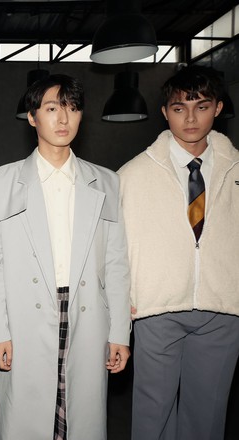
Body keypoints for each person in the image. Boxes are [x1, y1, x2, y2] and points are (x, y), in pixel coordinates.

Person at [0, 74, 131, 440]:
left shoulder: (106, 182)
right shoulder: (2, 182)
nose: (63, 119)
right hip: (25, 317)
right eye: (51, 109)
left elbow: (116, 261)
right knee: (27, 419)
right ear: (32, 117)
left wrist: (120, 331)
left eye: (72, 108)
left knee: (82, 418)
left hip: (88, 315)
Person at [119, 65, 239, 440]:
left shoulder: (236, 169)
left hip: (223, 308)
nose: (190, 118)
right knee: (151, 417)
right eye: (178, 108)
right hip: (156, 308)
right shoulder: (132, 174)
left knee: (207, 418)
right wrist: (123, 299)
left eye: (201, 106)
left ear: (218, 108)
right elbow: (115, 245)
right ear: (164, 112)